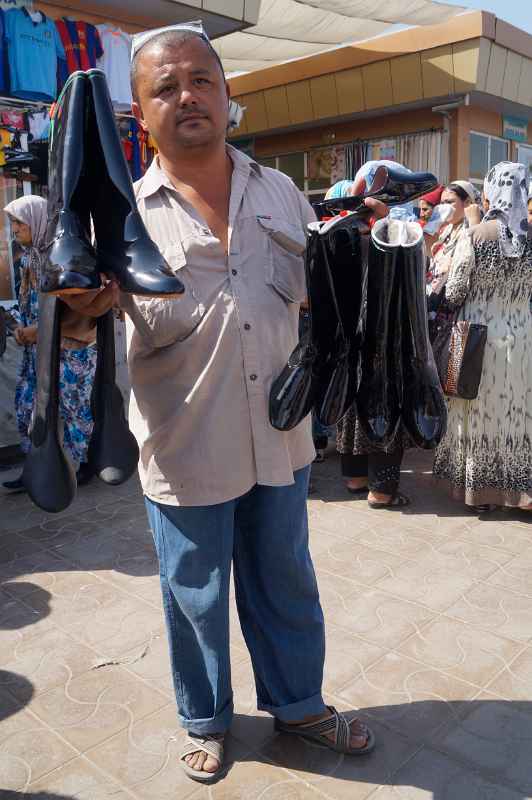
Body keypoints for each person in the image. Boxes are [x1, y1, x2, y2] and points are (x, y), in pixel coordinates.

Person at [62, 25, 374, 783]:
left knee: (286, 578)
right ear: (140, 114)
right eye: (165, 87)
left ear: (229, 95)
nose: (187, 96)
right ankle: (206, 719)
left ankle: (298, 704)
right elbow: (76, 334)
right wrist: (79, 312)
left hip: (280, 434)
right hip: (184, 439)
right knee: (194, 595)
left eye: (202, 79)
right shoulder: (122, 217)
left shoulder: (280, 192)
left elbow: (315, 303)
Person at [432, 162, 532, 511]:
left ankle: (482, 495)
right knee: (519, 415)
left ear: (490, 191)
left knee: (478, 412)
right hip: (523, 339)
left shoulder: (474, 235)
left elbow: (454, 292)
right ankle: (522, 492)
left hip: (477, 338)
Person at [325, 170, 412, 509]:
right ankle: (382, 489)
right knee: (385, 401)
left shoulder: (336, 232)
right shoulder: (390, 233)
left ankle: (355, 477)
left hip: (348, 333)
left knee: (352, 397)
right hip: (385, 332)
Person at [2, 196, 97, 492]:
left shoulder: (62, 257)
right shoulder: (30, 258)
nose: (15, 229)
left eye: (20, 222)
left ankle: (78, 466)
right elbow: (29, 302)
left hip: (69, 350)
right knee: (28, 408)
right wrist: (17, 324)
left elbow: (80, 309)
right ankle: (36, 467)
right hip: (37, 351)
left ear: (38, 220)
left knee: (74, 409)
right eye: (12, 223)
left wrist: (37, 331)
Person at [426, 180, 479, 341]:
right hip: (435, 305)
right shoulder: (446, 230)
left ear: (468, 203)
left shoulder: (470, 230)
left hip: (456, 312)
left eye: (449, 202)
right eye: (441, 203)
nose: (444, 207)